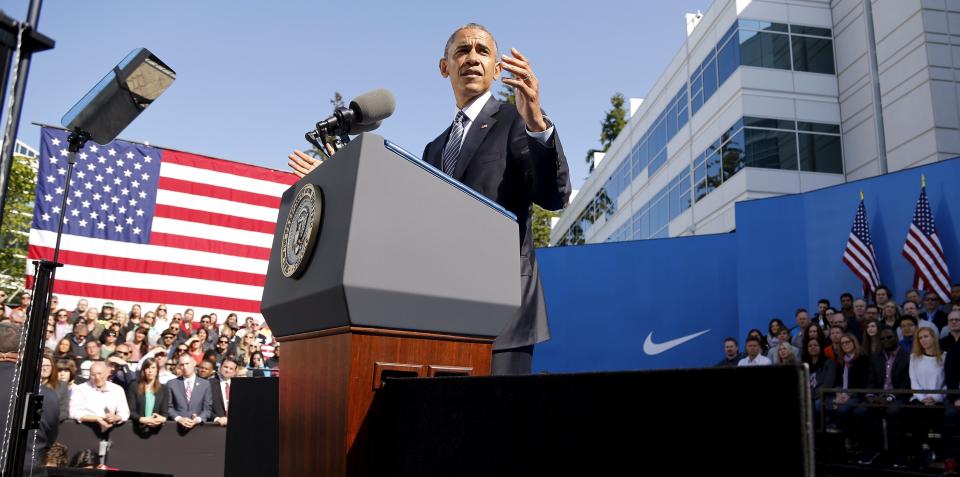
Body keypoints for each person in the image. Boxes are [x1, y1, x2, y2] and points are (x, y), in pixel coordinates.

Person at [288, 23, 570, 375]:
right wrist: (335, 177)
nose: (471, 58)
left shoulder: (517, 120)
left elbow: (554, 195)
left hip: (503, 320)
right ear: (444, 67)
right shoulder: (434, 149)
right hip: (440, 319)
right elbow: (409, 222)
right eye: (462, 50)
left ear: (499, 70)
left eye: (482, 51)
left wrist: (537, 124)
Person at [0, 322, 60, 469]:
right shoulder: (43, 394)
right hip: (24, 470)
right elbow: (45, 441)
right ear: (23, 352)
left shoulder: (40, 394)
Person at [854, 328, 910, 466]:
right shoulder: (876, 357)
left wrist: (889, 397)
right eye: (883, 338)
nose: (886, 340)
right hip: (878, 396)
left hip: (899, 396)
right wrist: (870, 396)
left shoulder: (907, 356)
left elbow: (906, 384)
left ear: (896, 337)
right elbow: (871, 380)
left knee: (893, 411)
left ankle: (898, 452)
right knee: (861, 411)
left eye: (889, 337)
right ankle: (872, 449)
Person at [69, 361, 130, 432]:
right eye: (93, 375)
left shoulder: (117, 389)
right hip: (85, 430)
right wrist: (96, 419)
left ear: (107, 373)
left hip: (111, 430)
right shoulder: (80, 389)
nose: (97, 377)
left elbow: (124, 412)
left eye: (99, 374)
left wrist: (116, 417)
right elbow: (73, 412)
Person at [167, 354, 213, 428]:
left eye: (187, 364)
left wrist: (198, 419)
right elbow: (168, 407)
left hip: (197, 428)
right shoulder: (172, 384)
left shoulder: (205, 384)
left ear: (194, 363)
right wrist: (179, 419)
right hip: (177, 427)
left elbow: (207, 409)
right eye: (182, 365)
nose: (185, 367)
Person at [126, 357, 168, 431]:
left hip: (156, 430)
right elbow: (131, 410)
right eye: (147, 368)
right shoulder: (134, 386)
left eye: (153, 368)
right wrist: (142, 419)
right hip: (136, 428)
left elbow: (164, 413)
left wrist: (161, 419)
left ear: (157, 370)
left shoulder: (163, 388)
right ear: (143, 370)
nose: (150, 371)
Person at [41, 353, 69, 421]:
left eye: (48, 365)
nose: (45, 368)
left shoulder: (62, 386)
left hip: (49, 425)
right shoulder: (30, 385)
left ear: (52, 367)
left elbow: (64, 412)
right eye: (42, 365)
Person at [211, 357, 238, 426]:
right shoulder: (209, 384)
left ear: (234, 372)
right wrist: (216, 419)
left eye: (231, 368)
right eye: (225, 367)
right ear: (220, 367)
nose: (227, 370)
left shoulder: (238, 386)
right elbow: (205, 407)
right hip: (215, 425)